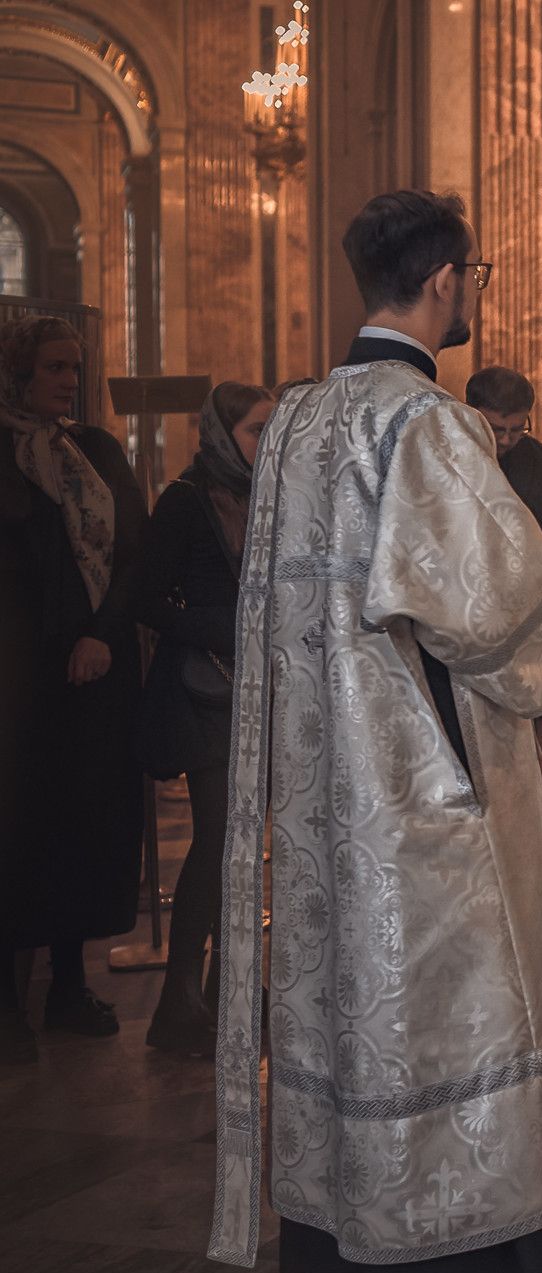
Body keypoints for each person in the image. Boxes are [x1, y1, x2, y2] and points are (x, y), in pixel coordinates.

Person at [207, 190, 542, 1273]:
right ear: (443, 282)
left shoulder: (293, 421)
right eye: (472, 275)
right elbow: (491, 611)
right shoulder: (421, 423)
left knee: (352, 1009)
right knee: (457, 1018)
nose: (473, 292)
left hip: (330, 788)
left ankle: (343, 1252)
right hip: (429, 791)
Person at [0, 314, 146, 1064]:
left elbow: (132, 554)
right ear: (19, 370)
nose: (69, 380)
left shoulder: (94, 449)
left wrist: (102, 634)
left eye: (75, 368)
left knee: (84, 828)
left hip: (94, 675)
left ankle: (67, 985)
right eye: (55, 367)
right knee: (20, 830)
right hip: (20, 683)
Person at [134, 381, 272, 1057]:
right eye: (255, 430)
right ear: (222, 433)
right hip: (203, 690)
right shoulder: (186, 500)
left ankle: (229, 990)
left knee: (244, 846)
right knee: (218, 836)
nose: (265, 442)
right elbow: (146, 598)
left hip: (255, 689)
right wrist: (218, 626)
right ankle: (178, 1002)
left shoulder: (266, 496)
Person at [468, 365, 542, 597]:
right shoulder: (450, 456)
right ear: (470, 413)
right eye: (495, 429)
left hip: (527, 592)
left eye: (517, 429)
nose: (506, 440)